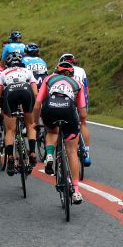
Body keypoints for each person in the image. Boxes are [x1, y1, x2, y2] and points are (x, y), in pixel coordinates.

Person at [36, 61, 88, 204]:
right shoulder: (77, 83)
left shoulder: (49, 79)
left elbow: (37, 103)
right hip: (69, 111)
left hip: (50, 108)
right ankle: (76, 191)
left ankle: (50, 155)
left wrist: (35, 122)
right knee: (72, 151)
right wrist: (78, 121)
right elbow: (83, 114)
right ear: (71, 73)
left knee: (52, 132)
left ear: (56, 72)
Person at [0, 50, 38, 176]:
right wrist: (33, 110)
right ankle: (33, 152)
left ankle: (11, 157)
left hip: (10, 93)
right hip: (26, 91)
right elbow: (35, 93)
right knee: (30, 125)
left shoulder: (4, 73)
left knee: (10, 130)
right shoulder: (27, 71)